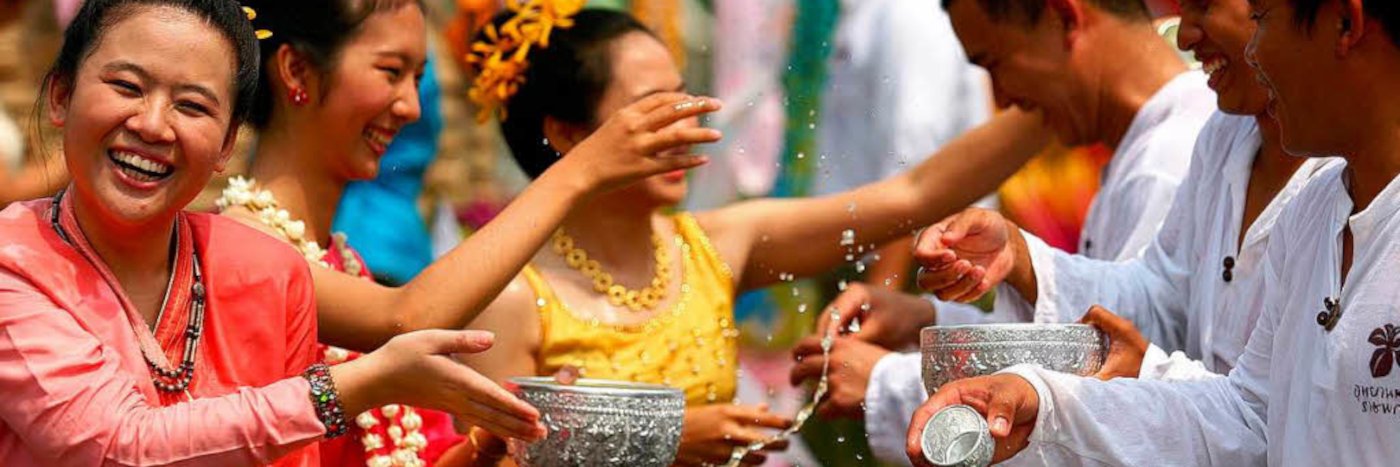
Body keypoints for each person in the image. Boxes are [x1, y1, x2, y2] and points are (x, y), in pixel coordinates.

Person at [456, 6, 1057, 465]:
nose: (688, 122)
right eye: (651, 106)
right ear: (565, 133)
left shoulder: (714, 245)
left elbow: (916, 195)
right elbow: (497, 456)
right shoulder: (511, 298)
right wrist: (663, 440)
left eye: (681, 95)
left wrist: (1072, 79)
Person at [0, 1, 546, 465]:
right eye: (126, 86)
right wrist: (354, 389)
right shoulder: (13, 261)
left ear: (225, 142)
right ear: (60, 96)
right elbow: (115, 444)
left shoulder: (267, 271)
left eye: (192, 106)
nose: (152, 123)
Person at [215, 1, 717, 464]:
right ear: (296, 70)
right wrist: (580, 170)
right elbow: (406, 316)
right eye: (390, 73)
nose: (411, 107)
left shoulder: (346, 266)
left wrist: (493, 438)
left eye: (417, 79)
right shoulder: (240, 249)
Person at [905, 0, 1400, 465]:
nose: (1254, 47)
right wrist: (1046, 402)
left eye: (1262, 15)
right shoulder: (1312, 208)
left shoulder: (1257, 175)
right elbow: (1252, 414)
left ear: (1345, 23)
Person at [788, 0, 1216, 461]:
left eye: (996, 64)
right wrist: (928, 324)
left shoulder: (1170, 160)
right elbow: (1098, 335)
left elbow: (1114, 379)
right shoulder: (1153, 148)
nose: (1003, 99)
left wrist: (891, 382)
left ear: (1066, 18)